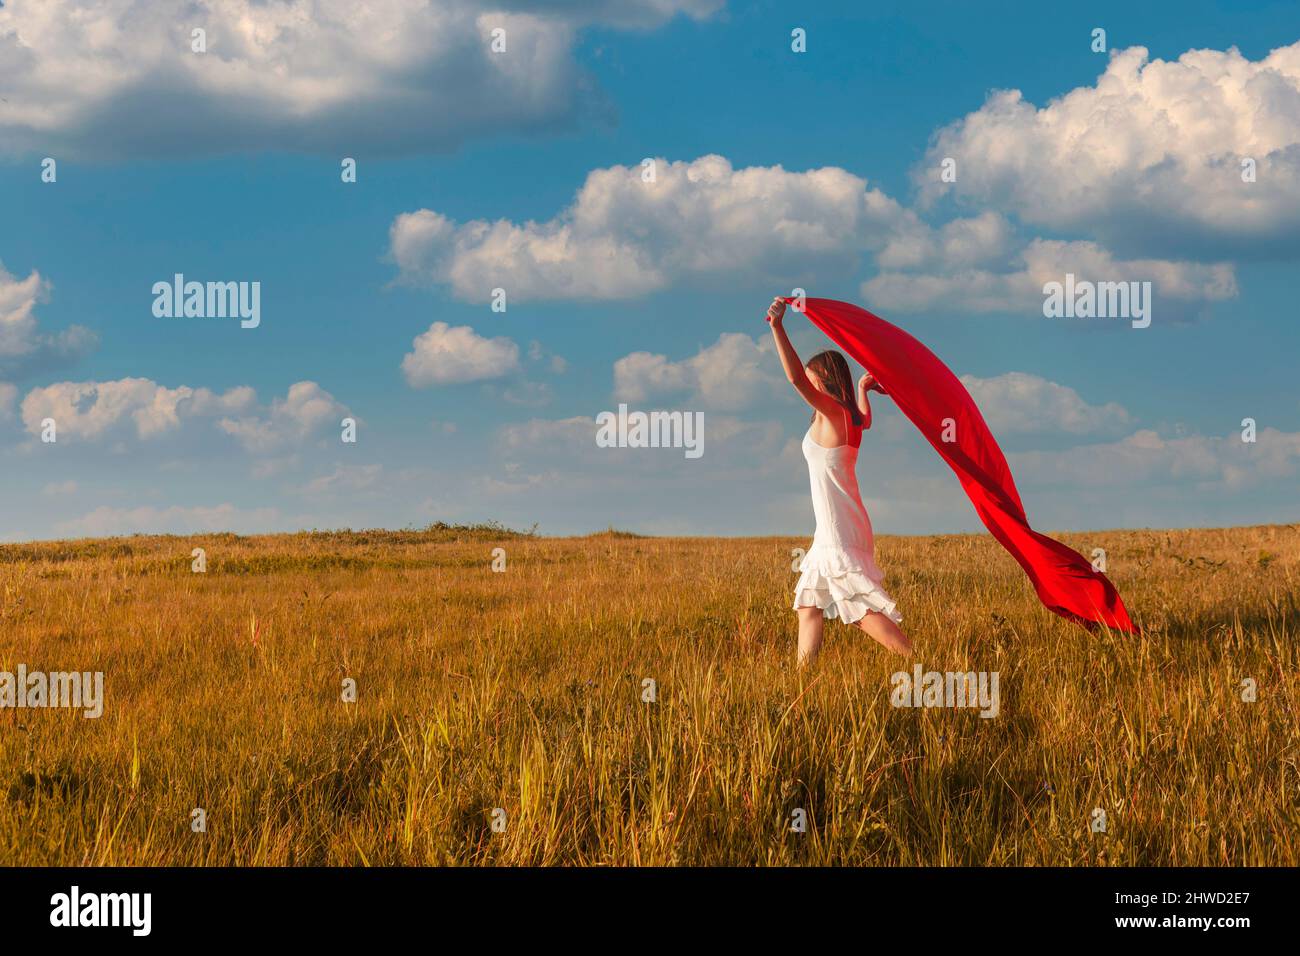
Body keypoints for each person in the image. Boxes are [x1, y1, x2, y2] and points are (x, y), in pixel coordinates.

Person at [766, 296, 913, 664]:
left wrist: (778, 328)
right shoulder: (851, 419)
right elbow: (867, 419)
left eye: (815, 379)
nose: (809, 386)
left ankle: (911, 657)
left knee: (858, 607)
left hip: (839, 529)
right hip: (838, 527)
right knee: (809, 603)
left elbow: (795, 378)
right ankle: (803, 676)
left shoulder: (832, 413)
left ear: (825, 380)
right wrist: (863, 391)